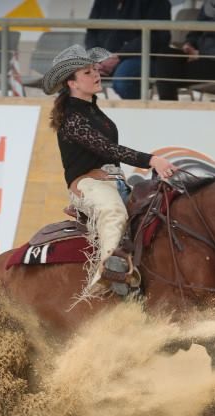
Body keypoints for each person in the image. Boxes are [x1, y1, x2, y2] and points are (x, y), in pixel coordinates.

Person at [42, 44, 176, 296]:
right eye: (87, 73)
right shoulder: (72, 118)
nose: (96, 75)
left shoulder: (93, 111)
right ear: (72, 83)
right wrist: (151, 160)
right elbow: (106, 149)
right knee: (114, 213)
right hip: (88, 186)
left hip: (114, 183)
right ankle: (102, 285)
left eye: (95, 70)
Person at [85, 0, 171, 100]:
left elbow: (157, 37)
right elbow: (91, 32)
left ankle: (140, 113)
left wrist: (120, 55)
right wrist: (97, 59)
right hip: (103, 60)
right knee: (72, 75)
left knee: (124, 80)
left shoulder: (157, 2)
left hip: (141, 58)